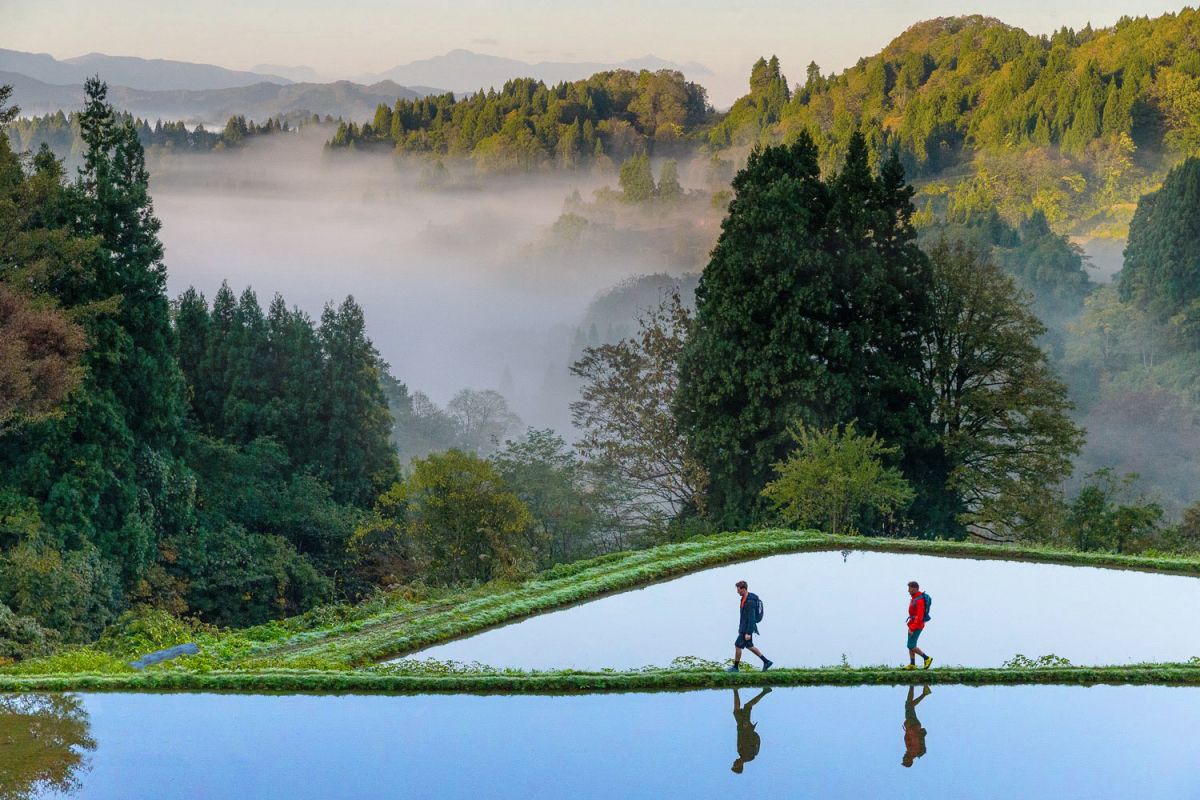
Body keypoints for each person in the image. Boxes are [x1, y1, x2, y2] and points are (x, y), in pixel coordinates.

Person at [727, 580, 773, 672]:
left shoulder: (750, 602)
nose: (737, 591)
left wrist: (748, 632)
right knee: (749, 646)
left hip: (747, 628)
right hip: (744, 627)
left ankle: (735, 668)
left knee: (737, 645)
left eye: (738, 589)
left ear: (743, 589)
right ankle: (766, 662)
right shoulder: (745, 598)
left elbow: (751, 619)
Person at [731, 687, 771, 773]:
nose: (734, 763)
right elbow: (755, 742)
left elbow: (740, 738)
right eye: (735, 765)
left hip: (741, 727)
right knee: (747, 706)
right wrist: (750, 730)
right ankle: (765, 691)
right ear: (740, 766)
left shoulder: (740, 753)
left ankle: (735, 689)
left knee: (737, 711)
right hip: (745, 728)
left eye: (733, 764)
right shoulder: (748, 756)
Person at [905, 580, 933, 670]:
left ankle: (927, 658)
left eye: (910, 588)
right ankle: (912, 664)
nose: (908, 590)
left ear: (915, 589)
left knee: (911, 645)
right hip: (912, 624)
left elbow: (920, 616)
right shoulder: (915, 597)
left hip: (917, 625)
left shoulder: (920, 600)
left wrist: (912, 628)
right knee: (911, 644)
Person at [901, 685, 931, 768]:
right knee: (908, 705)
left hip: (912, 726)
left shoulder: (911, 751)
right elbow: (914, 738)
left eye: (903, 760)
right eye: (905, 760)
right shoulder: (913, 752)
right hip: (913, 726)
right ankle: (912, 685)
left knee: (909, 705)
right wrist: (909, 729)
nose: (903, 758)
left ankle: (923, 692)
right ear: (909, 761)